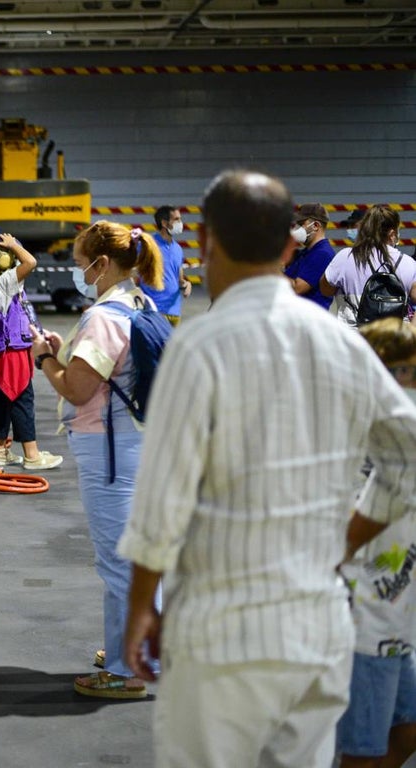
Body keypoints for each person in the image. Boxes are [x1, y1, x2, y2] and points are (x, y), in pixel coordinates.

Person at [118, 170, 416, 767]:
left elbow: (161, 503)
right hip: (319, 625)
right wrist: (349, 538)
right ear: (288, 245)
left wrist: (142, 607)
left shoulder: (200, 347)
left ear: (204, 241)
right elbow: (406, 455)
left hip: (221, 631)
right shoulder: (342, 344)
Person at [28, 220, 164, 698]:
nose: (77, 269)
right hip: (140, 443)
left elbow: (77, 389)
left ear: (102, 264)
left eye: (81, 261)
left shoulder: (103, 318)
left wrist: (45, 359)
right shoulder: (141, 304)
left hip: (110, 451)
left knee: (118, 562)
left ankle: (129, 671)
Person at [336, 317, 416, 768]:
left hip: (398, 617)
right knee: (362, 753)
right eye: (403, 371)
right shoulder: (363, 440)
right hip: (365, 621)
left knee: (406, 731)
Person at [0, 233, 63, 471]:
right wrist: (14, 245)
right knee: (22, 399)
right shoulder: (5, 281)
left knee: (0, 401)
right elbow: (31, 262)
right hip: (11, 351)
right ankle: (32, 455)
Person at [321, 204, 416, 326]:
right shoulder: (408, 263)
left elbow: (325, 290)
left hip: (354, 335)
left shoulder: (345, 257)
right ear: (392, 234)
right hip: (392, 335)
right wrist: (411, 331)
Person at [139, 205, 191, 326]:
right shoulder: (148, 245)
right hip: (154, 311)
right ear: (164, 223)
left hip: (174, 312)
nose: (180, 223)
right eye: (176, 219)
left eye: (180, 219)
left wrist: (186, 284)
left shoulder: (178, 249)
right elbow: (133, 271)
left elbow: (179, 280)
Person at [284, 202, 337, 309]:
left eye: (301, 224)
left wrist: (271, 270)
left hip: (310, 317)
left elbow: (297, 288)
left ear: (316, 226)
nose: (296, 228)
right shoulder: (305, 253)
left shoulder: (322, 254)